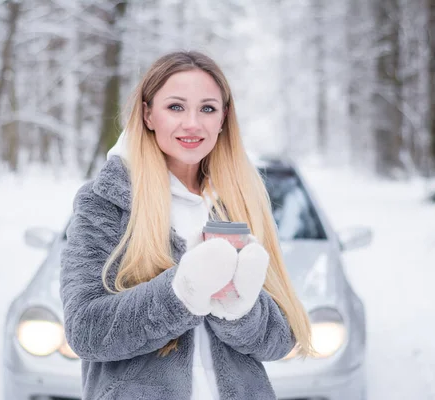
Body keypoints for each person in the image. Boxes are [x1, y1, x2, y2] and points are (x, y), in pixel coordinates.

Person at [60, 51, 313, 400]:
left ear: (223, 118)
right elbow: (85, 330)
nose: (192, 124)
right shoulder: (107, 201)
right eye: (175, 107)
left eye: (207, 108)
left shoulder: (239, 200)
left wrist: (240, 309)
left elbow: (282, 339)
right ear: (148, 114)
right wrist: (181, 294)